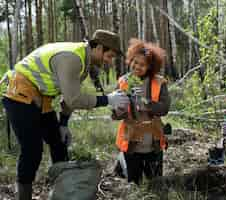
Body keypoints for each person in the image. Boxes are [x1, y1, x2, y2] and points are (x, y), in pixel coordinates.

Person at [2, 29, 130, 200]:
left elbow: (68, 98)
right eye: (109, 56)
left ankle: (64, 193)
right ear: (99, 48)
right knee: (32, 151)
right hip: (18, 93)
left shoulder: (83, 61)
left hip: (41, 97)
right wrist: (108, 100)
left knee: (59, 143)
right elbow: (75, 98)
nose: (109, 61)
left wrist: (63, 124)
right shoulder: (73, 58)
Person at [111, 38, 170, 185]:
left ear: (150, 67)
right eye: (135, 62)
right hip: (131, 139)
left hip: (153, 140)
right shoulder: (123, 82)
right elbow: (114, 114)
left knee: (155, 183)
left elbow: (164, 109)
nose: (137, 67)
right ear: (130, 60)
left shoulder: (159, 82)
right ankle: (122, 166)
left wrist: (147, 103)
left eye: (142, 65)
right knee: (134, 183)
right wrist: (121, 105)